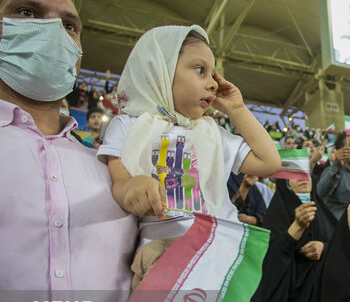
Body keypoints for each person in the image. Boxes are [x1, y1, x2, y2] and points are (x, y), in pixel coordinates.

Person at [0, 0, 138, 302]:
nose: (55, 33)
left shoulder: (112, 175)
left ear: (76, 57)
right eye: (27, 12)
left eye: (70, 26)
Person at [98, 25, 280, 250]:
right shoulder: (129, 125)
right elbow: (120, 182)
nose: (213, 83)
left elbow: (270, 162)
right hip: (165, 252)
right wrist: (134, 187)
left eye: (212, 74)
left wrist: (237, 108)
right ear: (160, 71)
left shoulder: (211, 132)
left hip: (223, 245)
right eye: (200, 70)